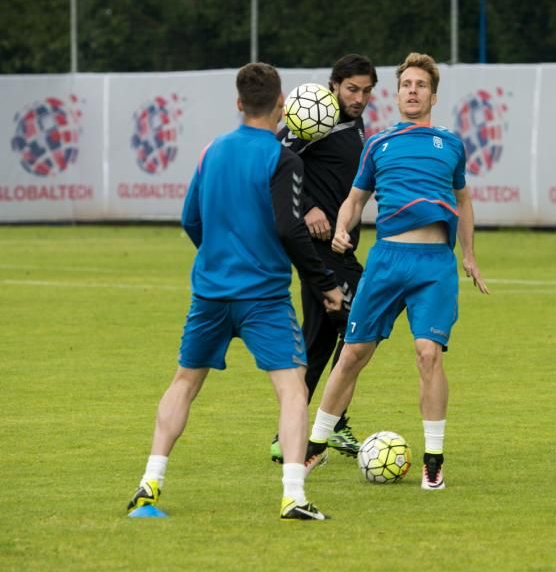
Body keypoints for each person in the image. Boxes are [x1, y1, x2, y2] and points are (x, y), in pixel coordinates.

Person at [126, 62, 344, 521]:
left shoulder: (212, 151)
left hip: (210, 292)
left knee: (185, 382)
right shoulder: (282, 158)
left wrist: (218, 256)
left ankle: (149, 483)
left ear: (239, 103)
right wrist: (325, 284)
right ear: (282, 104)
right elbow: (289, 227)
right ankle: (293, 496)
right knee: (292, 390)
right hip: (262, 295)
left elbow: (190, 219)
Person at [304, 52, 490, 490]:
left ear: (433, 95)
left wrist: (469, 254)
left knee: (428, 354)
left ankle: (433, 460)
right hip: (387, 261)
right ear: (397, 93)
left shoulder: (451, 144)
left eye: (420, 85)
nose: (412, 90)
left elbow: (463, 200)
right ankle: (315, 445)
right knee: (351, 355)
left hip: (433, 266)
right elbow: (355, 197)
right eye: (406, 84)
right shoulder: (378, 144)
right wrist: (343, 227)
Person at [269, 54, 378, 465]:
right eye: (352, 89)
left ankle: (303, 430)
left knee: (321, 340)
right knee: (357, 330)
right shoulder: (315, 118)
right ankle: (318, 426)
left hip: (342, 248)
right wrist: (309, 207)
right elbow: (275, 163)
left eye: (367, 90)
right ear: (334, 85)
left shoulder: (355, 124)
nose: (360, 97)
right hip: (322, 253)